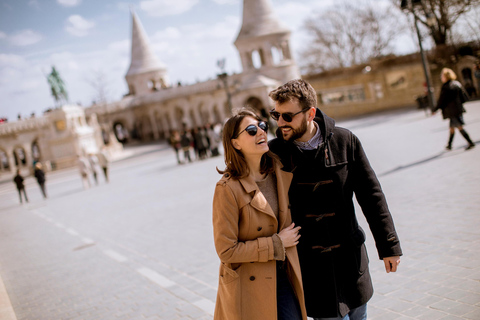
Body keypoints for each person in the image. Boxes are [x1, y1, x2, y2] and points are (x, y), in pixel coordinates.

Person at [267, 79, 402, 320]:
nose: (280, 122)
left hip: (351, 262)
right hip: (311, 269)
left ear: (310, 113)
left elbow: (372, 196)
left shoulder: (345, 141)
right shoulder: (274, 153)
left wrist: (389, 245)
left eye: (287, 116)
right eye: (276, 114)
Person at [212, 109, 307, 320]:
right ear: (235, 143)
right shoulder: (227, 189)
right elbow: (226, 251)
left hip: (283, 274)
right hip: (249, 284)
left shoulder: (279, 172)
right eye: (252, 130)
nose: (261, 133)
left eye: (262, 127)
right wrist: (276, 244)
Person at [432, 68, 475, 151]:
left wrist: (435, 109)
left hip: (452, 111)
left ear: (446, 77)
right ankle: (449, 145)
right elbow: (465, 97)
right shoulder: (457, 84)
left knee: (459, 127)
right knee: (452, 128)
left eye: (442, 76)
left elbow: (442, 100)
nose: (441, 78)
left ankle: (470, 142)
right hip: (458, 109)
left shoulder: (446, 87)